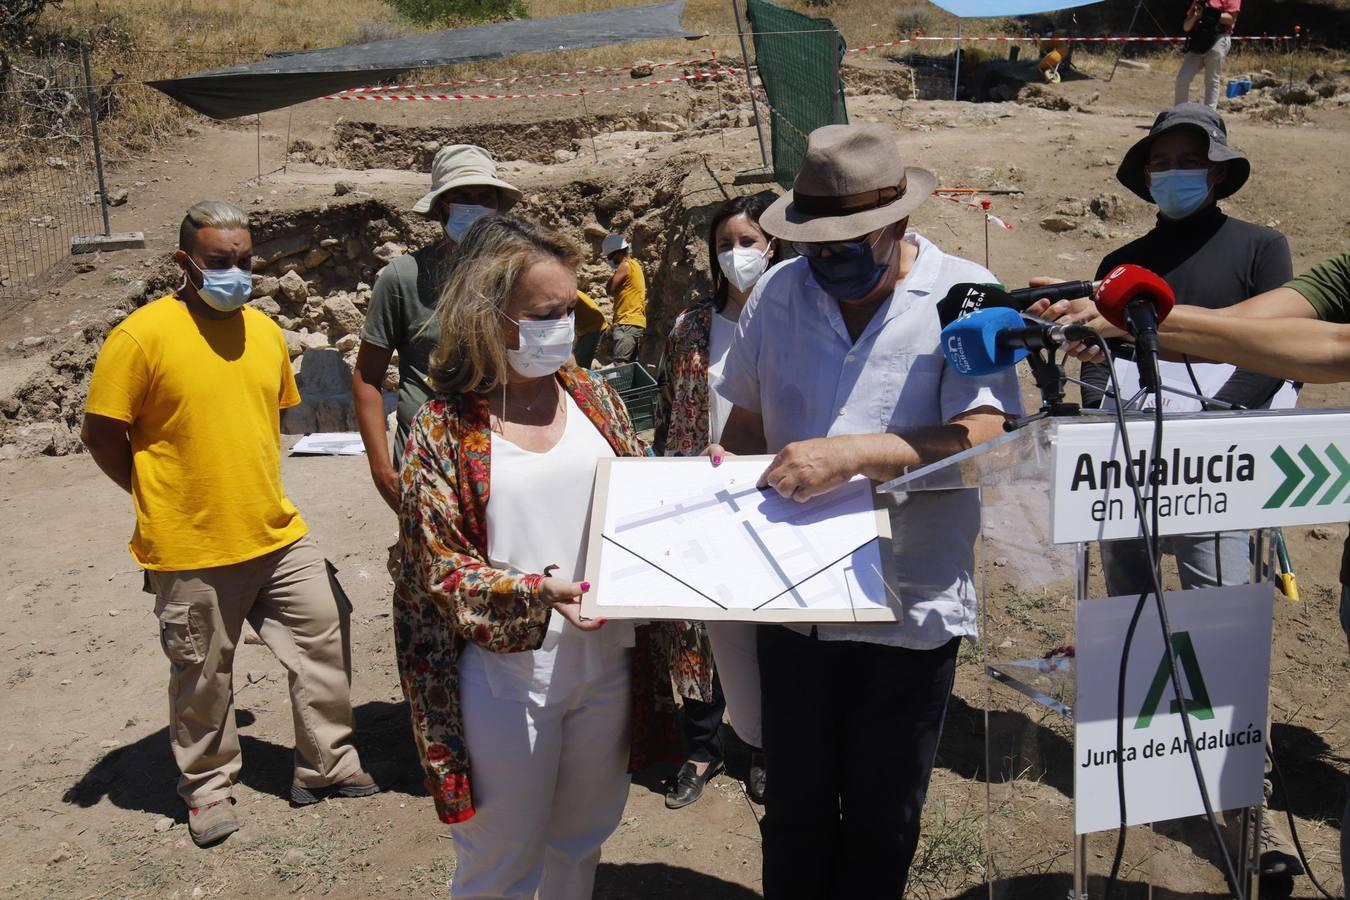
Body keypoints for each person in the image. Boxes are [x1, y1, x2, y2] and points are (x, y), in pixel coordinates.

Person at [709, 123, 1023, 898]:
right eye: (815, 244)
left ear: (898, 225)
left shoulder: (965, 297)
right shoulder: (779, 294)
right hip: (794, 606)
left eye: (848, 244)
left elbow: (987, 438)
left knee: (884, 822)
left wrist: (853, 453)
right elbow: (746, 427)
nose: (827, 260)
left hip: (905, 609)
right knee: (794, 812)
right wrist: (715, 491)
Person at [1035, 250, 1350, 887]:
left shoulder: (1255, 243)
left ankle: (1235, 804)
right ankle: (1153, 773)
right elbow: (1239, 329)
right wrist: (1127, 330)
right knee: (1138, 621)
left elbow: (1332, 347)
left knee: (1220, 627)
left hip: (1225, 464)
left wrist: (1136, 321)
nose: (1171, 175)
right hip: (1148, 466)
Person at [391, 215, 678, 898]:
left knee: (580, 842)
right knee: (502, 860)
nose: (564, 326)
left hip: (605, 668)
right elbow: (439, 567)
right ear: (487, 315)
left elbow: (638, 497)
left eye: (569, 310)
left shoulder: (595, 398)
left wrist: (700, 486)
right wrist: (534, 594)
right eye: (545, 314)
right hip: (507, 682)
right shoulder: (444, 429)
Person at [81, 201, 376, 848]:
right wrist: (153, 494)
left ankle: (327, 765)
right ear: (185, 263)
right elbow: (102, 434)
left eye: (246, 261)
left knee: (324, 631)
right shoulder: (140, 337)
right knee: (203, 673)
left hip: (274, 532)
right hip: (189, 545)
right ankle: (209, 789)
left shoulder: (266, 333)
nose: (237, 273)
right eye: (221, 262)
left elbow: (263, 423)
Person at [652, 195, 780, 808]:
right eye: (725, 244)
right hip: (699, 495)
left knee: (762, 619)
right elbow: (667, 411)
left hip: (773, 493)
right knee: (696, 623)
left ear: (774, 245)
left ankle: (762, 748)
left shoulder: (796, 320)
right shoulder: (691, 327)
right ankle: (701, 747)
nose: (736, 255)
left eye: (747, 242)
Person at [353, 144, 522, 512]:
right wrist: (382, 470)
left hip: (504, 454)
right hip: (426, 456)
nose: (474, 205)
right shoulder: (403, 277)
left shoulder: (517, 276)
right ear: (441, 206)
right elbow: (367, 378)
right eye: (462, 197)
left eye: (484, 197)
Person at [1176, 0, 1241, 109]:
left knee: (1212, 80)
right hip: (1198, 39)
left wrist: (1207, 13)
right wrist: (1195, 17)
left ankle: (1210, 115)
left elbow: (1231, 19)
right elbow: (1186, 27)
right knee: (1183, 78)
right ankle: (1178, 112)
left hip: (1218, 37)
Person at [602, 232, 647, 365]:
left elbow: (610, 289)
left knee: (620, 365)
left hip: (627, 321)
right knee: (629, 366)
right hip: (635, 322)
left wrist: (610, 282)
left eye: (610, 256)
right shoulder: (634, 265)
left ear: (618, 253)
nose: (610, 260)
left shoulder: (625, 265)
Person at [572, 289, 607, 369]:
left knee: (581, 363)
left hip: (593, 326)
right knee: (577, 360)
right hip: (586, 327)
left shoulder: (564, 294)